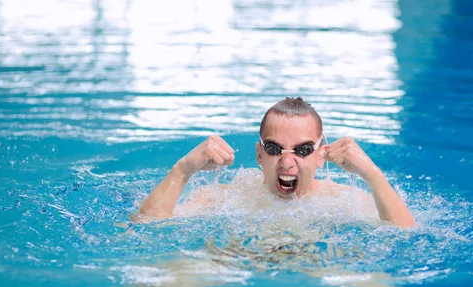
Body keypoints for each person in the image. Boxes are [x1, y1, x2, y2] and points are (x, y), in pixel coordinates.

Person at [134, 97, 415, 228]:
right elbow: (144, 225)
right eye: (274, 148)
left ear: (321, 156)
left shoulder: (343, 200)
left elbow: (405, 237)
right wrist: (183, 170)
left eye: (303, 149)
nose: (287, 161)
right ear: (259, 155)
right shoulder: (228, 195)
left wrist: (374, 176)